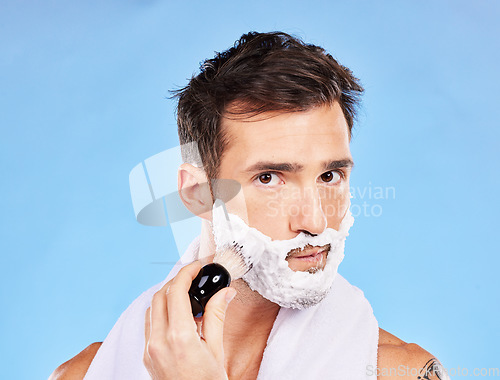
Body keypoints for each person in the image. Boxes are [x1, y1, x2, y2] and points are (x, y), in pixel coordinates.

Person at [50, 31, 447, 380]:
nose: (315, 220)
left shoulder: (403, 374)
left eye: (330, 176)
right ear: (197, 194)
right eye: (269, 178)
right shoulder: (86, 375)